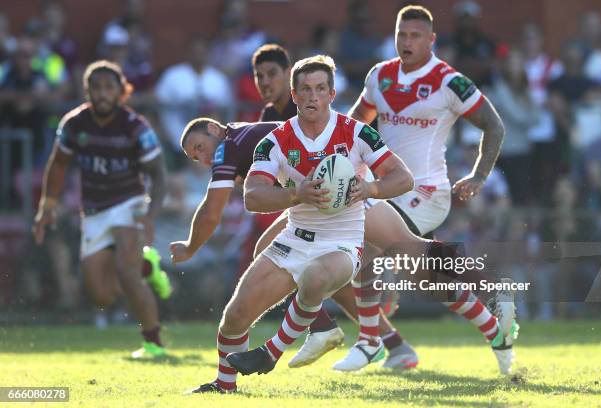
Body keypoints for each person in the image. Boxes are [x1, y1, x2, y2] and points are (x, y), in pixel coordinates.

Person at [185, 55, 413, 393]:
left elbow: (403, 178)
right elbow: (253, 196)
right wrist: (298, 193)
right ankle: (224, 386)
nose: (313, 96)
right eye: (305, 89)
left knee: (316, 276)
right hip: (294, 238)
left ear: (332, 93)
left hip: (342, 242)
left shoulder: (357, 132)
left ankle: (273, 350)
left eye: (320, 88)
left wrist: (370, 187)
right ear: (293, 95)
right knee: (233, 317)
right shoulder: (275, 140)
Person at [337, 5, 518, 371]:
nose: (407, 42)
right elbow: (357, 124)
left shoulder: (450, 81)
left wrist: (480, 175)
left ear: (431, 40)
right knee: (431, 280)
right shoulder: (379, 76)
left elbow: (495, 126)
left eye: (415, 36)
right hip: (389, 187)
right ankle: (497, 327)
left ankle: (371, 339)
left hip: (428, 193)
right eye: (401, 34)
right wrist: (343, 162)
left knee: (361, 232)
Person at [251, 43, 419, 370]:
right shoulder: (272, 119)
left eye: (272, 74)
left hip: (351, 197)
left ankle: (478, 296)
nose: (265, 82)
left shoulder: (305, 106)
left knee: (412, 253)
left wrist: (364, 183)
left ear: (289, 78)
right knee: (315, 269)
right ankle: (377, 339)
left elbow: (353, 129)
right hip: (314, 206)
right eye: (259, 76)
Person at [32, 60, 170, 358]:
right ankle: (147, 267)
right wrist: (48, 205)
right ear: (87, 91)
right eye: (96, 88)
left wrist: (149, 214)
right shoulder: (74, 124)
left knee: (126, 272)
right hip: (94, 210)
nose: (103, 94)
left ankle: (153, 343)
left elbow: (158, 174)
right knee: (101, 296)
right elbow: (58, 164)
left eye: (109, 88)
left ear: (121, 92)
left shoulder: (135, 127)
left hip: (129, 203)